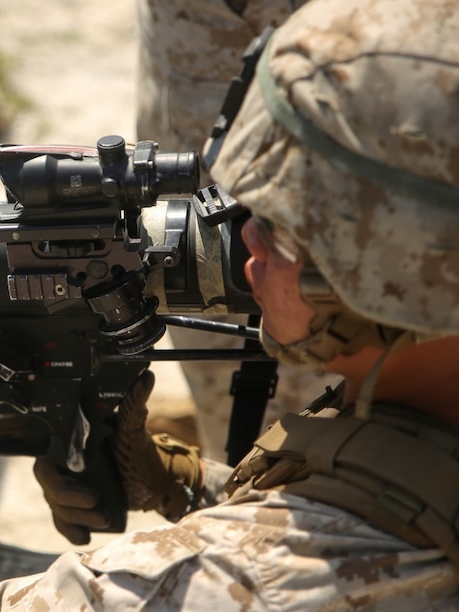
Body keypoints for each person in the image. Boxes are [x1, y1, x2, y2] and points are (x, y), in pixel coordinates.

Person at [0, 0, 459, 608]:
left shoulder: (228, 585)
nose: (242, 242)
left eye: (278, 227)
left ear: (386, 285)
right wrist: (188, 485)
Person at [137, 0, 342, 466]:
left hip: (364, 98)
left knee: (333, 417)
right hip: (194, 69)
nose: (254, 246)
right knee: (233, 418)